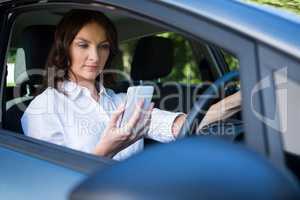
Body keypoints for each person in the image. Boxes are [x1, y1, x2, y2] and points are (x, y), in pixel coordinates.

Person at [21, 10, 186, 161]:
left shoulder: (122, 101)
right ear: (65, 49)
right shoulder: (44, 107)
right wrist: (106, 150)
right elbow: (52, 179)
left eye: (103, 47)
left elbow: (170, 125)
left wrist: (205, 118)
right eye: (83, 45)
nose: (95, 56)